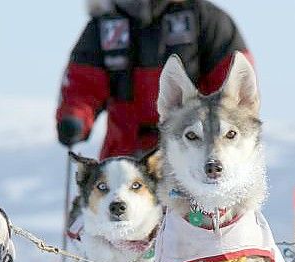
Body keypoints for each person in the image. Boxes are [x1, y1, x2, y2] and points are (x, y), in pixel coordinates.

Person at [56, 0, 253, 158]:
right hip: (126, 156)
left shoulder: (206, 19)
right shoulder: (103, 26)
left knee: (193, 207)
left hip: (194, 154)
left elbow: (232, 84)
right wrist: (74, 117)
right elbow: (83, 84)